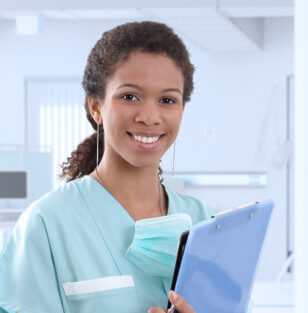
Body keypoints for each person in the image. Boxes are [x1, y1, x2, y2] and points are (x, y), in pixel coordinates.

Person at [0, 21, 253, 313]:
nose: (150, 116)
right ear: (96, 106)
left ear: (182, 109)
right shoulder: (46, 225)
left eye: (167, 100)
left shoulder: (208, 223)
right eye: (129, 96)